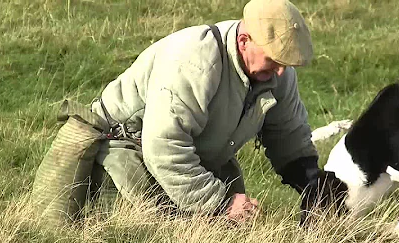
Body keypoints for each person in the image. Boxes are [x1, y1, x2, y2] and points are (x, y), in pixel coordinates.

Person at [34, 0, 322, 223]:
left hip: (189, 158)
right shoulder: (196, 61)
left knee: (227, 240)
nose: (282, 71)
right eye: (275, 59)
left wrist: (313, 184)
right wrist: (220, 203)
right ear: (244, 41)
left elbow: (288, 133)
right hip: (125, 155)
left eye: (287, 62)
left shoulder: (275, 72)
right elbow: (164, 148)